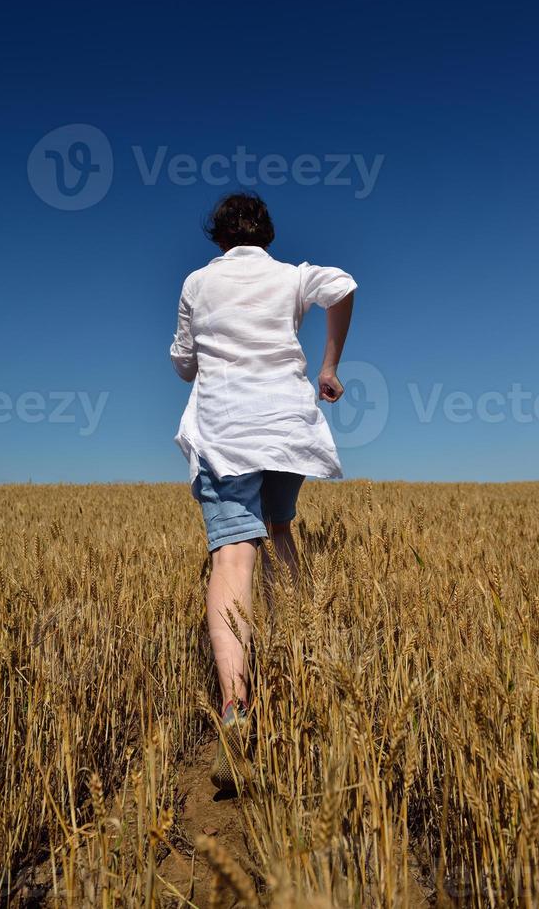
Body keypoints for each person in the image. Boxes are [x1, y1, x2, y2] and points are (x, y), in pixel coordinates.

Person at [169, 192, 357, 789]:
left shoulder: (198, 284)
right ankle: (306, 646)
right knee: (280, 532)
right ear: (267, 234)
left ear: (218, 236)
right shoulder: (292, 276)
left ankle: (235, 704)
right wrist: (328, 367)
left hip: (227, 431)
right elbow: (346, 285)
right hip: (285, 428)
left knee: (233, 551)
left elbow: (182, 362)